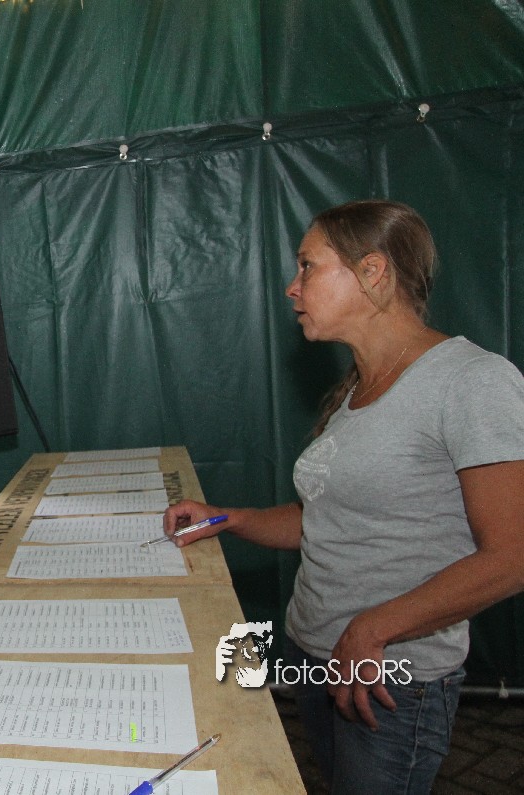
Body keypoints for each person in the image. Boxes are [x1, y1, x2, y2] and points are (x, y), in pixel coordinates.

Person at [164, 199, 524, 794]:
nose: (292, 286)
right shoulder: (358, 388)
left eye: (308, 266)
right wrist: (227, 519)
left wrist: (373, 629)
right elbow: (326, 521)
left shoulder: (472, 381)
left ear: (372, 271)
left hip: (389, 679)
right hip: (322, 661)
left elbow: (511, 556)